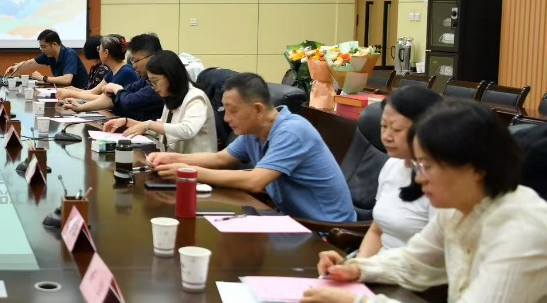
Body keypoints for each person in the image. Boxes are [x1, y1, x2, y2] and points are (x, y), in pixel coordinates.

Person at [304, 101, 547, 303]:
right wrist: (356, 268)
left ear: (475, 168)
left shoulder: (523, 228)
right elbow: (413, 261)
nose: (418, 179)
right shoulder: (459, 208)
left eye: (427, 166)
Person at [149, 72, 356, 222]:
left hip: (325, 231)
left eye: (232, 111)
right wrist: (173, 159)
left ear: (257, 109)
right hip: (289, 220)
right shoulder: (254, 131)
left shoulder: (292, 131)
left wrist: (187, 172)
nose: (226, 118)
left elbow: (255, 181)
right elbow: (220, 159)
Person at [356, 87, 443, 256]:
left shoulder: (443, 182)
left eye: (396, 129)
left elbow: (434, 257)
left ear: (424, 130)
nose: (386, 136)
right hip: (380, 264)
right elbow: (377, 231)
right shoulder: (392, 165)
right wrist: (358, 264)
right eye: (383, 126)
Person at [102, 50, 217, 154]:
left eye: (155, 81)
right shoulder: (172, 97)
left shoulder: (196, 97)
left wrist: (148, 124)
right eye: (150, 82)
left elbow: (187, 130)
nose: (153, 87)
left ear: (171, 76)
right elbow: (161, 128)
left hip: (196, 166)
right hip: (174, 161)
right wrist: (127, 121)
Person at [64, 33, 163, 121]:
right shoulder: (144, 79)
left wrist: (117, 89)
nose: (134, 66)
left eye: (136, 61)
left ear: (152, 58)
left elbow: (130, 101)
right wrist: (80, 107)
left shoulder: (159, 82)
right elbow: (112, 98)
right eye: (132, 61)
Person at [55, 34, 137, 101]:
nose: (98, 52)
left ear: (106, 53)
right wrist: (73, 90)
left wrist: (72, 94)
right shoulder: (113, 71)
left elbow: (104, 100)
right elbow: (92, 92)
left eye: (99, 49)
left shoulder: (125, 72)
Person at [4, 29, 89, 88]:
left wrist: (43, 78)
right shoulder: (49, 55)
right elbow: (31, 63)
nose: (42, 50)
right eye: (41, 47)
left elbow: (67, 80)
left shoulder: (70, 54)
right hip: (65, 92)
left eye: (44, 47)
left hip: (81, 93)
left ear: (54, 44)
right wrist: (16, 67)